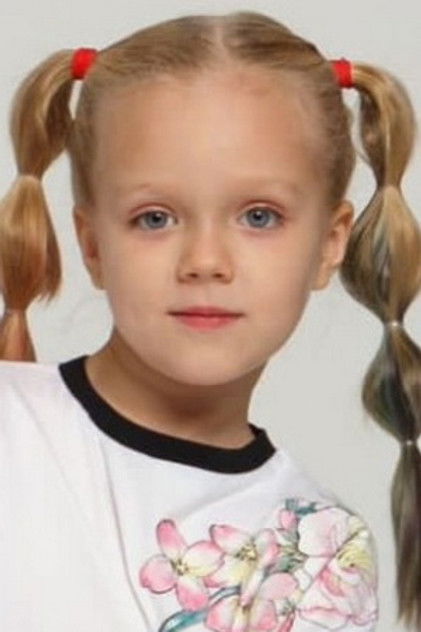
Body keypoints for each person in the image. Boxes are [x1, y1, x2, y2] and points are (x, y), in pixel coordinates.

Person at [0, 10, 420, 631]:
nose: (204, 261)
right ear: (92, 245)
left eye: (258, 217)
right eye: (155, 218)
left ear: (330, 244)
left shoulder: (313, 555)